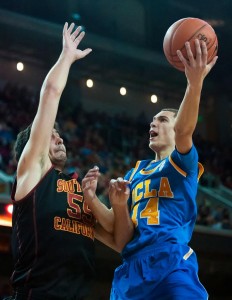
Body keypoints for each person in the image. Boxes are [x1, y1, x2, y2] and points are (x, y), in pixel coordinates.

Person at [7, 22, 115, 300]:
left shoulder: (79, 189)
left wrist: (101, 201)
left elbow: (117, 238)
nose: (59, 138)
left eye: (59, 134)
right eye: (50, 135)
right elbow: (51, 95)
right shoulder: (32, 173)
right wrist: (66, 57)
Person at [108, 39, 218, 299]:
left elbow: (184, 130)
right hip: (132, 266)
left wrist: (194, 82)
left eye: (162, 119)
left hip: (171, 260)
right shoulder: (134, 173)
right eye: (151, 120)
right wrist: (106, 203)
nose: (152, 123)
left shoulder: (183, 163)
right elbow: (120, 238)